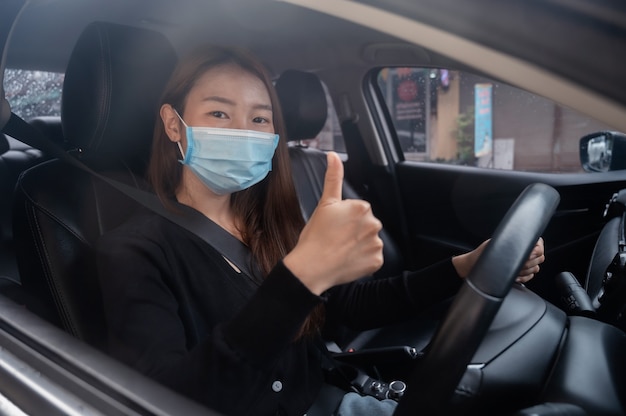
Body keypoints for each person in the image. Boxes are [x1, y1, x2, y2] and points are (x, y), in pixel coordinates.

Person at [96, 45, 545, 416]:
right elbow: (165, 403)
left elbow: (347, 306)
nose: (243, 132)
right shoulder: (135, 253)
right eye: (218, 113)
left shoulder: (266, 218)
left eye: (258, 119)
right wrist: (300, 279)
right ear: (175, 123)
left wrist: (461, 269)